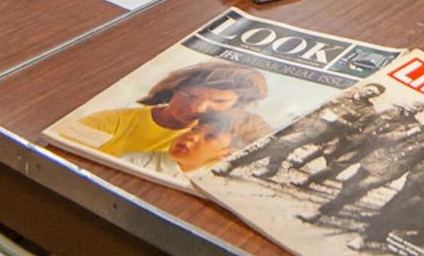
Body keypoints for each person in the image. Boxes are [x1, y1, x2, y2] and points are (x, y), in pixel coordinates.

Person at [70, 61, 266, 158]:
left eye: (218, 101)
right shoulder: (110, 122)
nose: (197, 108)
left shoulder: (226, 143)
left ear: (236, 105)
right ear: (174, 89)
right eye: (190, 95)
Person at [300, 115, 424, 225]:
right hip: (375, 161)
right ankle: (339, 204)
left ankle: (319, 212)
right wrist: (407, 134)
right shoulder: (412, 128)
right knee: (351, 185)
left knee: (362, 186)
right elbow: (383, 139)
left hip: (392, 170)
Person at [240, 83, 385, 183]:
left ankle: (240, 164)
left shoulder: (368, 111)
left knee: (285, 143)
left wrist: (336, 120)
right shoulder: (345, 91)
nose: (369, 92)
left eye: (373, 93)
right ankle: (270, 169)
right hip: (303, 120)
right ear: (365, 86)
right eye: (370, 89)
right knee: (281, 141)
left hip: (320, 130)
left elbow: (355, 128)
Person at [119, 109, 249, 180]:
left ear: (227, 154)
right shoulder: (135, 161)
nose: (192, 136)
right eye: (195, 129)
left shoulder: (212, 182)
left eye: (210, 136)